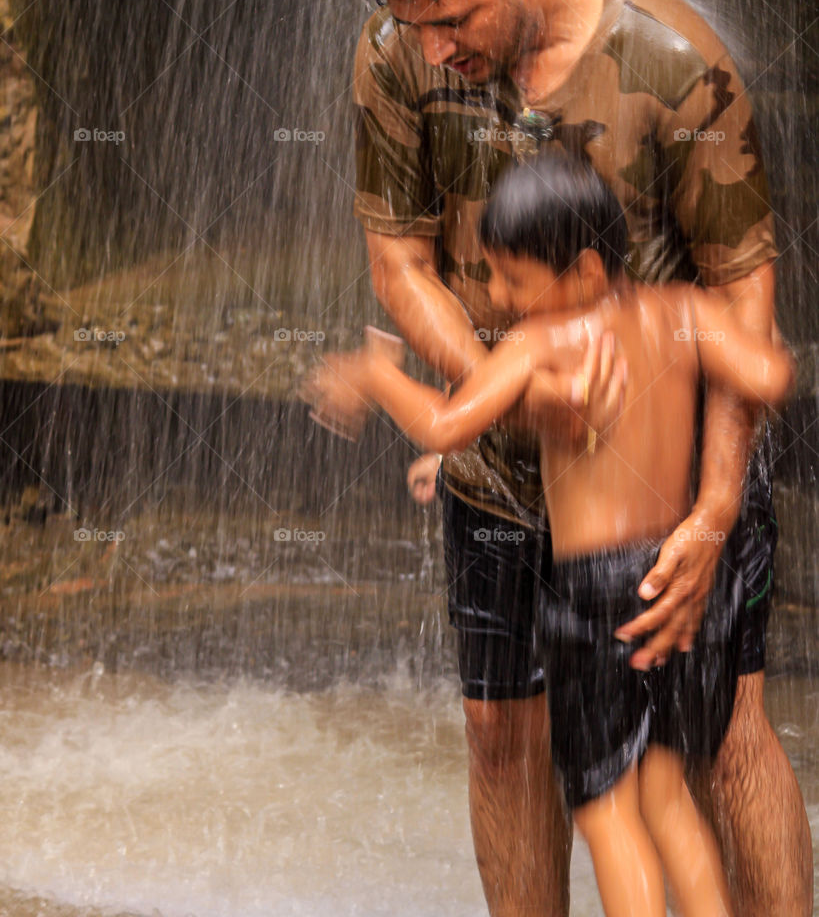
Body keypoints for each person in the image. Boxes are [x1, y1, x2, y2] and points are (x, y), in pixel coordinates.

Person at [350, 0, 812, 916]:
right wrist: (510, 382)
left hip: (665, 481)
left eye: (452, 19)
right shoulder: (394, 56)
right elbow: (398, 264)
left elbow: (745, 300)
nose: (434, 47)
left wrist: (715, 508)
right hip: (504, 476)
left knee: (717, 741)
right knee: (501, 729)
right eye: (413, 23)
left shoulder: (675, 68)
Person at [310, 153, 796, 917]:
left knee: (608, 812)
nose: (497, 299)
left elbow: (450, 420)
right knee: (668, 796)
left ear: (583, 270)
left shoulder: (543, 344)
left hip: (598, 599)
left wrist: (376, 378)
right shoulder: (681, 311)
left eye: (510, 278)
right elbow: (768, 376)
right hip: (681, 588)